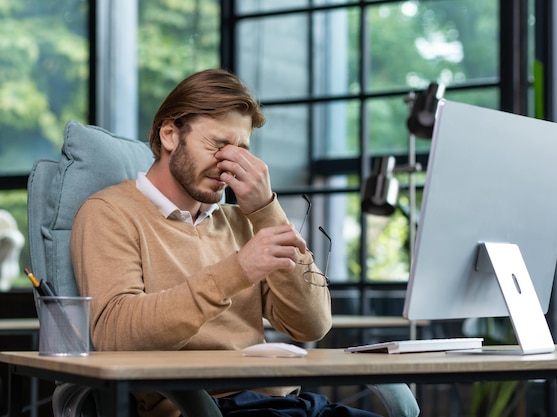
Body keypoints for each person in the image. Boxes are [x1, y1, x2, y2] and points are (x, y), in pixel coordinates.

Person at [70, 69, 382, 417]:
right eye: (218, 145)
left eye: (241, 151)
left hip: (288, 404)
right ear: (170, 134)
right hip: (204, 409)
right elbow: (116, 336)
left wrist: (266, 211)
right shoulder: (110, 213)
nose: (230, 165)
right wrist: (238, 270)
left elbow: (312, 324)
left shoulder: (243, 221)